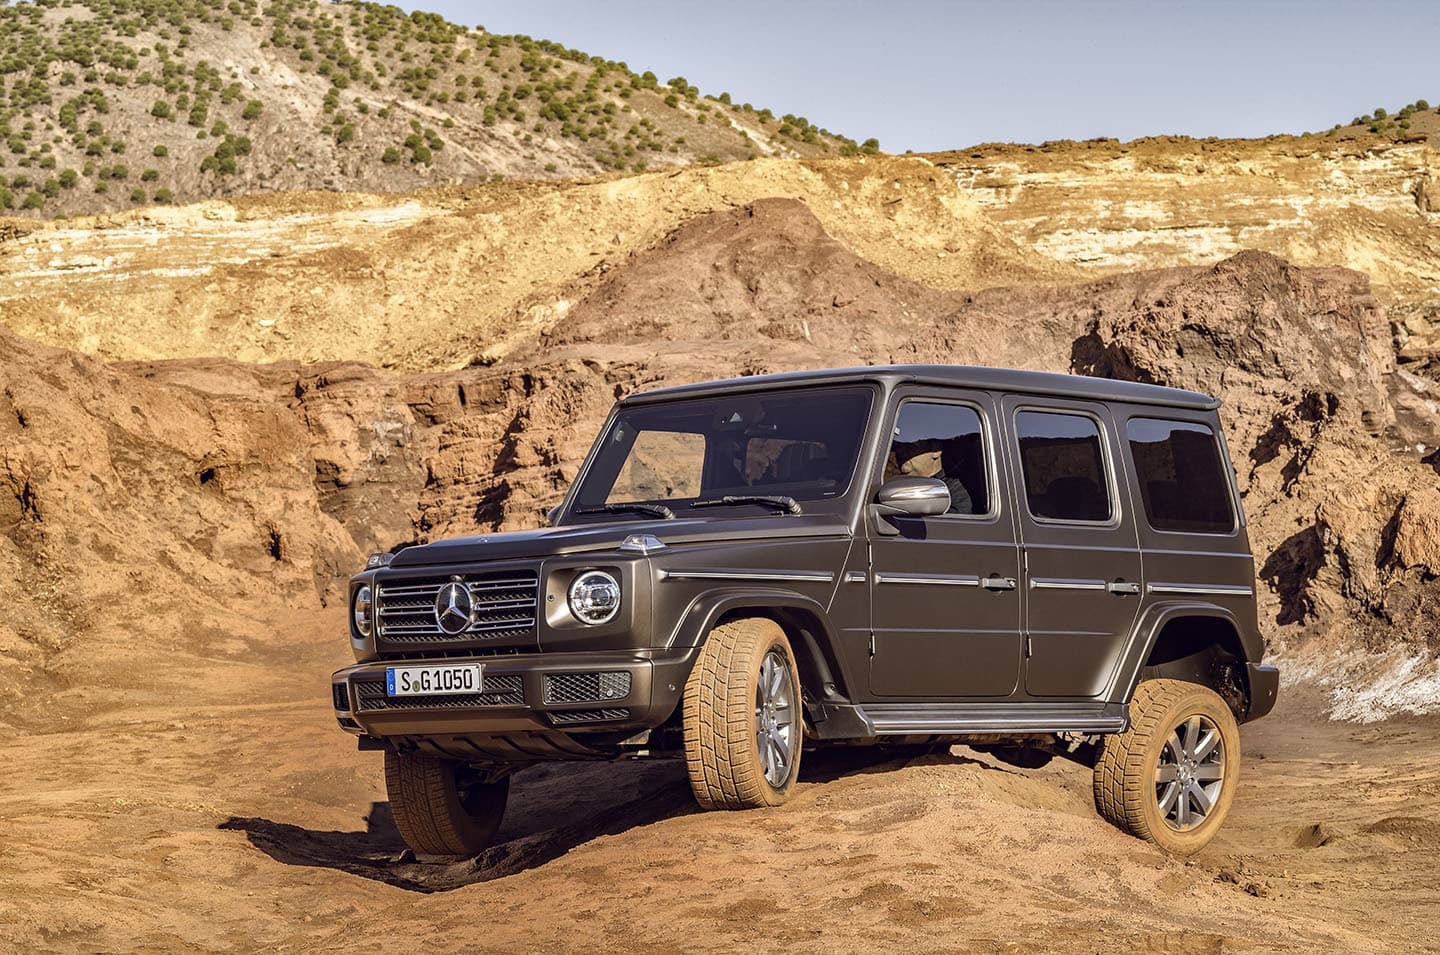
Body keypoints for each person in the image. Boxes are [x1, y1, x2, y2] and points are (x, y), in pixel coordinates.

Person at [893, 438, 973, 514]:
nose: (900, 451)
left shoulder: (956, 491)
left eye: (911, 445)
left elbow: (952, 526)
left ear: (936, 451)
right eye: (897, 446)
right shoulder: (893, 486)